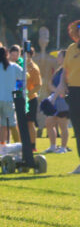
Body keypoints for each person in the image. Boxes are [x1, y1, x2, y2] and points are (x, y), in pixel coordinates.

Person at [0, 46, 25, 149]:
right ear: (8, 55)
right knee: (11, 124)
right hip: (9, 99)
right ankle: (19, 146)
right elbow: (25, 76)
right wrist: (16, 85)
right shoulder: (14, 66)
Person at [56, 20, 80, 173]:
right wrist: (61, 85)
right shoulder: (71, 49)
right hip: (74, 91)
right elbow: (65, 70)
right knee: (77, 128)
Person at [44, 53, 71, 153]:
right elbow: (50, 84)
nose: (57, 58)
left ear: (65, 58)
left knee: (62, 124)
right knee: (49, 122)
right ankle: (53, 146)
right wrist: (56, 91)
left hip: (63, 101)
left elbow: (64, 86)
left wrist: (58, 91)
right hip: (54, 100)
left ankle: (63, 147)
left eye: (59, 56)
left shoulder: (67, 69)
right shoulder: (58, 70)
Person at [24, 48, 42, 147]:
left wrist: (27, 94)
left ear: (30, 55)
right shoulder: (20, 66)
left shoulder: (33, 68)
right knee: (21, 123)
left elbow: (38, 85)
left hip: (30, 99)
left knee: (30, 123)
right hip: (20, 100)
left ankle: (32, 145)